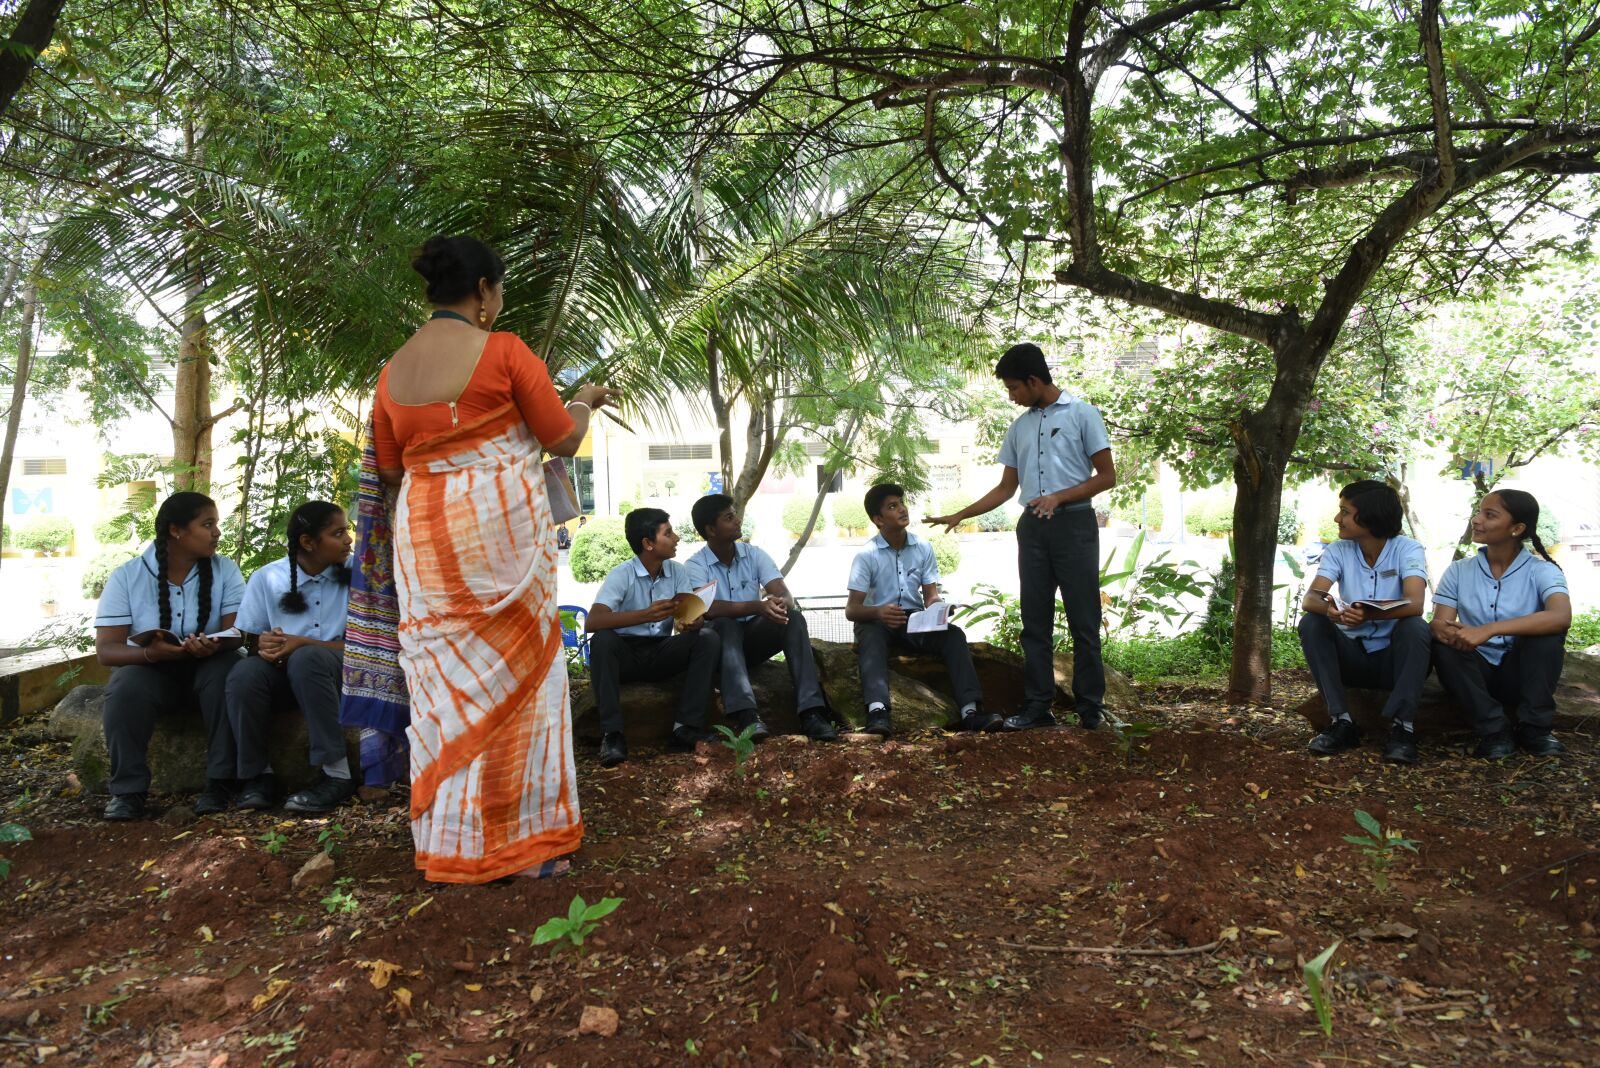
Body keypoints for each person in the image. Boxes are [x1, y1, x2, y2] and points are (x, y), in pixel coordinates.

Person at [371, 234, 616, 883]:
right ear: (483, 291)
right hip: (501, 532)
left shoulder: (391, 372)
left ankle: (455, 844)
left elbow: (392, 469)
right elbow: (562, 435)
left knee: (445, 689)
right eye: (499, 292)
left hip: (426, 534)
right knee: (524, 682)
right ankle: (524, 848)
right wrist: (586, 399)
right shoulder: (504, 351)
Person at [929, 343, 1115, 731]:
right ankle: (1037, 707)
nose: (1011, 397)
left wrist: (1060, 497)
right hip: (1032, 528)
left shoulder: (1084, 414)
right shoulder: (1020, 426)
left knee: (1084, 619)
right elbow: (1005, 488)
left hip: (1075, 525)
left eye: (1014, 388)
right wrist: (962, 513)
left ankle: (1091, 708)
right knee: (1034, 620)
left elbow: (1107, 476)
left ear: (1034, 381)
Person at [94, 492, 246, 820]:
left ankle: (220, 782)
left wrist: (215, 645)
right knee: (124, 687)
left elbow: (237, 633)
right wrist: (150, 652)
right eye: (208, 524)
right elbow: (107, 650)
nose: (217, 532)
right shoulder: (127, 576)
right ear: (176, 531)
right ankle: (128, 792)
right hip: (153, 671)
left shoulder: (226, 570)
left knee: (229, 673)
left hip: (209, 668)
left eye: (216, 524)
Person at [227, 501, 357, 812]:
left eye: (347, 531)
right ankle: (258, 776)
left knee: (308, 658)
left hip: (343, 672)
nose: (348, 540)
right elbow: (254, 641)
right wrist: (267, 645)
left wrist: (302, 644)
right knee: (243, 674)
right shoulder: (268, 577)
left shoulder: (359, 575)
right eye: (338, 533)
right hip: (288, 673)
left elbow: (368, 647)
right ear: (308, 542)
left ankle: (337, 774)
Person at [1297, 481, 1431, 763]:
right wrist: (1331, 611)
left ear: (1370, 517)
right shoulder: (1339, 550)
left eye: (1345, 512)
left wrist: (1370, 613)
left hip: (1393, 660)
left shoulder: (1408, 549)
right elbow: (1310, 599)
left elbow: (1415, 603)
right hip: (1352, 657)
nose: (1337, 519)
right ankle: (1342, 722)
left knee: (1415, 627)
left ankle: (1402, 728)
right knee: (1312, 623)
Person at [846, 483, 996, 737]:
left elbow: (931, 597)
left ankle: (971, 711)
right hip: (877, 622)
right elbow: (852, 610)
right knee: (870, 637)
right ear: (878, 519)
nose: (902, 509)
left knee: (954, 634)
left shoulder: (923, 548)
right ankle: (878, 712)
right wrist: (879, 612)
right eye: (892, 506)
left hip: (914, 621)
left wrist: (941, 609)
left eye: (901, 503)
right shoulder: (866, 555)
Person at [1431, 489, 1570, 758]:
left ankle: (1535, 728)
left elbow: (1561, 616)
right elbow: (1440, 622)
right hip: (1475, 673)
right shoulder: (1459, 571)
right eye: (1478, 512)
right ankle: (1494, 730)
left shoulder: (1542, 571)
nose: (1476, 519)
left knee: (1546, 636)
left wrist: (1489, 629)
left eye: (1489, 515)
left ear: (1517, 528)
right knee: (1443, 646)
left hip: (1522, 674)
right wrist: (1442, 629)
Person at [686, 493, 836, 742]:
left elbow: (784, 594)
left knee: (794, 617)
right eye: (729, 517)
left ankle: (812, 713)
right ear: (711, 530)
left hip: (754, 640)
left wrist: (778, 603)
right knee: (724, 624)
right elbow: (707, 609)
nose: (737, 520)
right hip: (722, 648)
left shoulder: (754, 554)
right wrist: (757, 606)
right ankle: (747, 716)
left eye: (735, 515)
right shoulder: (695, 565)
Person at [586, 508, 722, 767]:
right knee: (602, 640)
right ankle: (612, 735)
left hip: (661, 652)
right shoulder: (621, 574)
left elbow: (687, 614)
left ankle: (685, 728)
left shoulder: (677, 571)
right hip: (625, 654)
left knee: (708, 637)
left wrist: (692, 622)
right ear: (648, 544)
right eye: (668, 533)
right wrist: (645, 615)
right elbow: (594, 620)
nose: (676, 538)